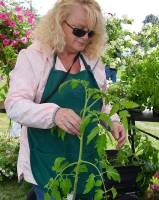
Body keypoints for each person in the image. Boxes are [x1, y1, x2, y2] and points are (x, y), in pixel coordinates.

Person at [4, 0, 126, 199]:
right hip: (48, 163)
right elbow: (15, 105)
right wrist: (54, 113)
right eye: (79, 31)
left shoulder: (93, 62)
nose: (85, 38)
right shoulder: (34, 57)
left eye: (91, 33)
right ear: (59, 23)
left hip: (87, 161)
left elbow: (101, 104)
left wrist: (112, 122)